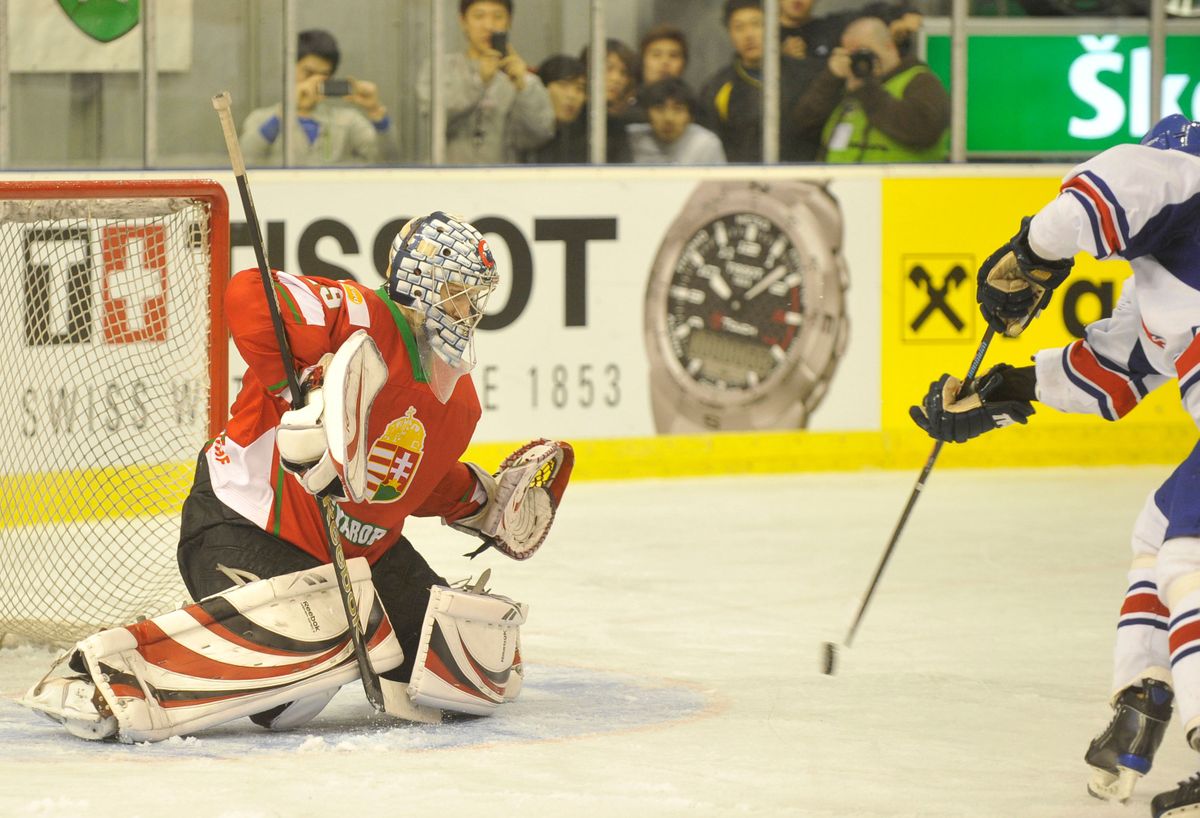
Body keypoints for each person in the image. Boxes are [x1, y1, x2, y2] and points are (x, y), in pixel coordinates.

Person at [21, 213, 574, 741]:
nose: (471, 307)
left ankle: (289, 628)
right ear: (421, 284)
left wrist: (479, 501)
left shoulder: (459, 402)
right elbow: (246, 293)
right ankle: (99, 672)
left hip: (359, 558)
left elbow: (403, 480)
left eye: (476, 295)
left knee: (462, 665)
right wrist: (304, 392)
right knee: (297, 692)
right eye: (460, 290)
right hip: (243, 523)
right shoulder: (358, 317)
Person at [908, 115, 1200, 817]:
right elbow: (1114, 372)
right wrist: (1003, 391)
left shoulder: (1182, 159)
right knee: (1157, 533)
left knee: (1188, 552)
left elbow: (1115, 185)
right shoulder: (1163, 271)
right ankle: (1144, 697)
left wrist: (1030, 255)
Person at [790, 15, 948, 163]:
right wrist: (830, 78)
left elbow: (923, 131)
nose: (860, 61)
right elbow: (804, 126)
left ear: (889, 46)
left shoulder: (920, 81)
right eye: (852, 55)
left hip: (897, 188)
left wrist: (867, 88)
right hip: (837, 186)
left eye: (865, 53)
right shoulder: (845, 83)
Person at [418, 0, 555, 164]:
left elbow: (541, 134)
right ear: (463, 21)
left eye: (498, 17)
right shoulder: (439, 69)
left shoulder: (522, 77)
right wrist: (478, 82)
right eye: (479, 16)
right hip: (445, 178)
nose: (488, 26)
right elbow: (431, 121)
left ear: (509, 21)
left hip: (503, 181)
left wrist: (523, 87)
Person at [240, 29, 397, 166]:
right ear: (289, 69)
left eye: (323, 76)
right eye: (308, 73)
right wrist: (286, 111)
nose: (314, 81)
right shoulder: (261, 119)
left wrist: (376, 112)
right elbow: (245, 160)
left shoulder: (348, 121)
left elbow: (390, 160)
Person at [697, 0, 823, 163]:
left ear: (774, 25)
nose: (748, 35)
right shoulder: (716, 88)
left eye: (757, 24)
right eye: (738, 27)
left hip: (802, 179)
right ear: (729, 33)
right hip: (741, 183)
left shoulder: (807, 75)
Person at [780, 0, 923, 62]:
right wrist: (779, 57)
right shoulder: (762, 34)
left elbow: (873, 13)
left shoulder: (830, 27)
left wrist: (904, 16)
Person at [627, 78, 726, 165]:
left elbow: (720, 185)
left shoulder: (706, 145)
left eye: (678, 109)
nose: (668, 118)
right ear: (646, 113)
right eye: (659, 109)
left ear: (690, 117)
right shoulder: (632, 139)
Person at [578, 39, 637, 163]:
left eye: (623, 73)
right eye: (608, 69)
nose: (617, 79)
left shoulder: (616, 125)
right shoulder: (571, 117)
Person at [524, 55, 588, 164]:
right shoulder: (522, 132)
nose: (572, 95)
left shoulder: (583, 141)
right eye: (563, 85)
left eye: (580, 88)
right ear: (542, 87)